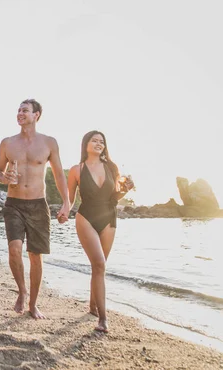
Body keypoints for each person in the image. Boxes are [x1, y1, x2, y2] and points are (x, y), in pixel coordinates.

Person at [0, 98, 70, 319]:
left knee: (35, 256)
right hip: (14, 203)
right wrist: (4, 177)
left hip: (38, 204)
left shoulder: (49, 143)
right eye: (18, 110)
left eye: (25, 110)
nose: (20, 113)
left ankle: (34, 303)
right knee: (14, 250)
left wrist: (66, 203)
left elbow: (58, 174)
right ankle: (22, 291)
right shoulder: (7, 143)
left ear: (36, 115)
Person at [67, 130, 134, 333]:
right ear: (85, 144)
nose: (99, 144)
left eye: (102, 141)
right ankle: (103, 319)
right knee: (99, 263)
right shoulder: (76, 170)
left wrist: (126, 189)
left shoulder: (112, 168)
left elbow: (114, 197)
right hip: (86, 217)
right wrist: (63, 212)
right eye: (94, 140)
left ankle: (93, 305)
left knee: (99, 267)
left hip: (108, 218)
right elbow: (70, 199)